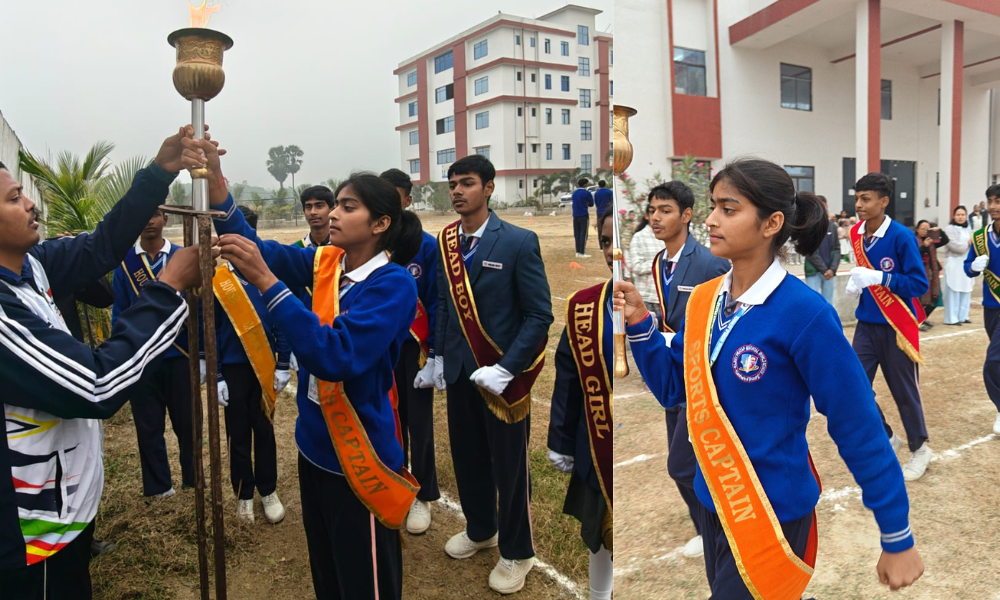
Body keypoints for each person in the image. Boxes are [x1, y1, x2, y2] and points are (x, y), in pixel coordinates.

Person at [614, 158, 924, 599]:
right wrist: (641, 323)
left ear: (771, 223)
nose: (711, 219)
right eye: (713, 206)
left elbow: (858, 426)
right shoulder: (704, 301)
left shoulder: (806, 313)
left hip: (773, 512)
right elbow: (671, 389)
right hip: (713, 501)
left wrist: (897, 534)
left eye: (728, 208)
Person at [204, 139, 423, 598]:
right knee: (326, 568)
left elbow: (335, 355)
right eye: (335, 204)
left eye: (348, 206)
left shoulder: (393, 284)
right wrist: (216, 181)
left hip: (358, 455)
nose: (333, 214)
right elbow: (258, 247)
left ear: (381, 223)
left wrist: (266, 281)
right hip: (314, 447)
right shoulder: (328, 263)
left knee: (364, 579)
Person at [0, 128, 211, 599]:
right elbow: (95, 385)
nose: (30, 204)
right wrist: (167, 289)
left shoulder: (30, 264)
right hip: (31, 532)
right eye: (15, 198)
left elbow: (101, 246)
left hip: (62, 509)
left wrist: (158, 174)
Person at [432, 154, 553, 594]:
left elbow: (539, 316)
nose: (458, 191)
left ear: (489, 188)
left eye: (467, 183)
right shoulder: (446, 241)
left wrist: (506, 368)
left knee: (509, 468)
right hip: (462, 371)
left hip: (505, 380)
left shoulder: (519, 242)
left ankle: (518, 552)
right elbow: (445, 305)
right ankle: (481, 529)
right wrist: (437, 357)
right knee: (467, 457)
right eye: (452, 184)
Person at [644, 181, 729, 558]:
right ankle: (707, 527)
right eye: (652, 210)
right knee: (685, 466)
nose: (656, 218)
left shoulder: (710, 262)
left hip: (700, 379)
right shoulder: (661, 261)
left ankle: (716, 528)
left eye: (664, 210)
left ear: (687, 215)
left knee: (684, 465)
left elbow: (722, 317)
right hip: (672, 376)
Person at [846, 172, 931, 481]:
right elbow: (861, 271)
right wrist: (858, 284)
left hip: (896, 325)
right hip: (866, 324)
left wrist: (882, 278)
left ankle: (920, 448)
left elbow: (918, 283)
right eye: (857, 198)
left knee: (904, 392)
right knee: (853, 386)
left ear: (884, 201)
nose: (859, 205)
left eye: (865, 199)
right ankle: (886, 435)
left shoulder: (901, 236)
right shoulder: (856, 233)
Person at [547, 210, 614, 600]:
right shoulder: (586, 306)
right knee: (599, 532)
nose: (609, 250)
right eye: (603, 241)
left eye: (613, 240)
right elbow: (568, 375)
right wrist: (559, 438)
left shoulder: (666, 300)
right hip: (597, 444)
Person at [112, 208, 199, 499]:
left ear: (165, 218)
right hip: (142, 360)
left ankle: (193, 481)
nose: (148, 220)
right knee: (148, 427)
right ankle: (159, 488)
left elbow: (199, 308)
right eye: (143, 214)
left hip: (180, 357)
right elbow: (120, 313)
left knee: (188, 426)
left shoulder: (182, 257)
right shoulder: (125, 264)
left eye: (155, 214)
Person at [213, 205, 291, 524]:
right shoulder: (218, 282)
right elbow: (212, 331)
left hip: (264, 368)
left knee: (264, 429)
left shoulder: (268, 279)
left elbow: (282, 322)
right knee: (237, 432)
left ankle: (268, 490)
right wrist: (216, 373)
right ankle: (244, 493)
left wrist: (284, 363)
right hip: (232, 370)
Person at [381, 167, 442, 535]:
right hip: (378, 347)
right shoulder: (369, 239)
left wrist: (434, 353)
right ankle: (392, 483)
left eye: (394, 195)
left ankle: (422, 493)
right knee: (386, 420)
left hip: (414, 350)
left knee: (418, 424)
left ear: (407, 198)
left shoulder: (427, 245)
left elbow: (434, 302)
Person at [965, 184, 1000, 435]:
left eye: (998, 201)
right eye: (991, 201)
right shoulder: (981, 237)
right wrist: (975, 267)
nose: (994, 206)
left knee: (992, 363)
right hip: (990, 306)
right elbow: (967, 268)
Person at [803, 194, 840, 303]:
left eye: (823, 206)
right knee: (813, 303)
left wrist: (832, 269)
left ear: (826, 207)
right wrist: (824, 270)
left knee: (828, 303)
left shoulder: (832, 225)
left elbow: (837, 248)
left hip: (830, 272)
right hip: (814, 272)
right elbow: (809, 251)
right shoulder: (808, 226)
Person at [624, 217, 662, 323]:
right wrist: (659, 263)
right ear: (647, 216)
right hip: (646, 297)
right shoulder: (639, 237)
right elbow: (636, 266)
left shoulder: (666, 237)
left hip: (662, 297)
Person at [914, 220, 948, 331]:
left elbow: (946, 240)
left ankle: (923, 318)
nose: (925, 231)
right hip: (919, 274)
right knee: (919, 301)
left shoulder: (932, 240)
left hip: (932, 274)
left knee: (935, 300)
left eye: (927, 229)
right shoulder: (913, 241)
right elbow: (914, 255)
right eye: (922, 228)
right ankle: (917, 322)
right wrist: (924, 246)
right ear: (917, 229)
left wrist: (939, 231)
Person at [943, 205, 974, 326]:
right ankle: (952, 318)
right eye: (958, 215)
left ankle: (963, 315)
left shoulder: (968, 229)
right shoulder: (949, 229)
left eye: (963, 215)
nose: (960, 217)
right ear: (954, 216)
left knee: (966, 289)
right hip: (954, 262)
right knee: (953, 289)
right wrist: (968, 243)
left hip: (966, 262)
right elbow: (955, 246)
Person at [296, 185, 335, 249]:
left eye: (319, 206)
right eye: (308, 207)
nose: (313, 212)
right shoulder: (297, 250)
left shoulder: (343, 249)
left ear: (332, 209)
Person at [571, 178, 594, 258]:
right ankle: (582, 252)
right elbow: (591, 203)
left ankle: (577, 251)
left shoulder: (574, 193)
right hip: (583, 214)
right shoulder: (587, 193)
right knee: (583, 234)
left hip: (575, 215)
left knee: (577, 234)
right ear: (584, 184)